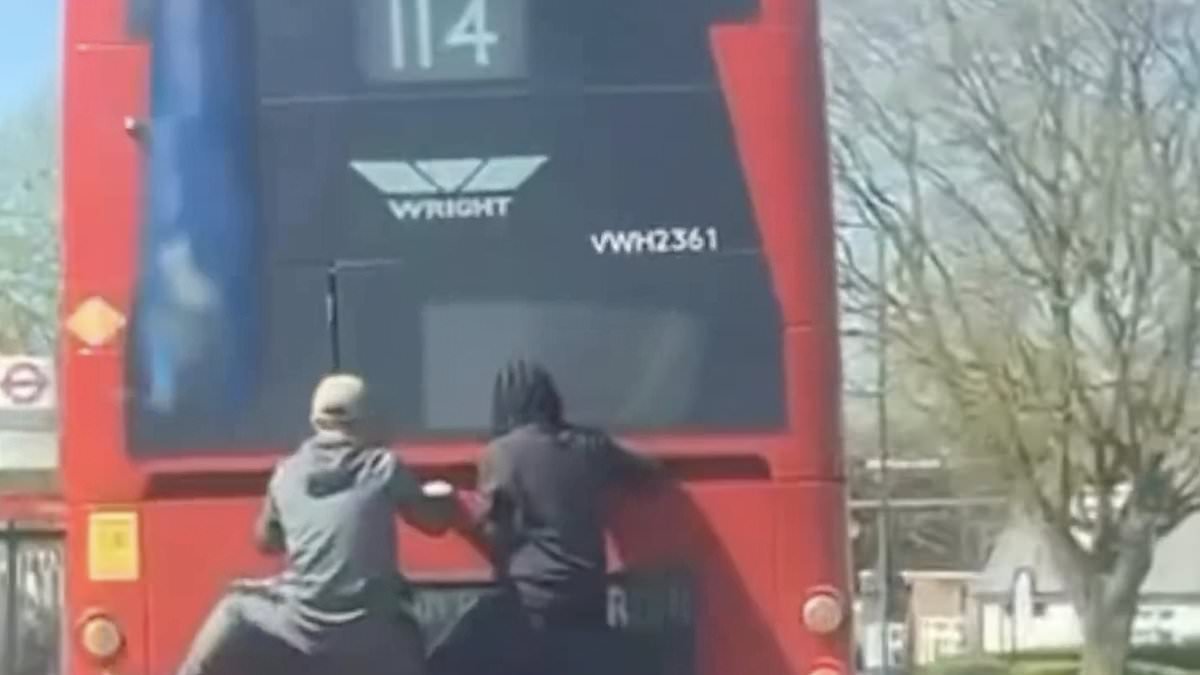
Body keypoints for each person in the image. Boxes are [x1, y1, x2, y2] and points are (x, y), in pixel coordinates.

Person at [176, 373, 456, 675]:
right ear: (366, 420)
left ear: (315, 420)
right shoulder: (383, 467)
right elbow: (433, 524)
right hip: (372, 629)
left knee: (234, 606)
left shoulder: (287, 473)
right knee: (414, 633)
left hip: (302, 624)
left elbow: (265, 542)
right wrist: (444, 498)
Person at [428, 360, 663, 675]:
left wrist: (457, 514)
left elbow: (497, 532)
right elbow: (649, 472)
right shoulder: (589, 444)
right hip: (589, 602)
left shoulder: (502, 453)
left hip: (530, 605)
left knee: (442, 658)